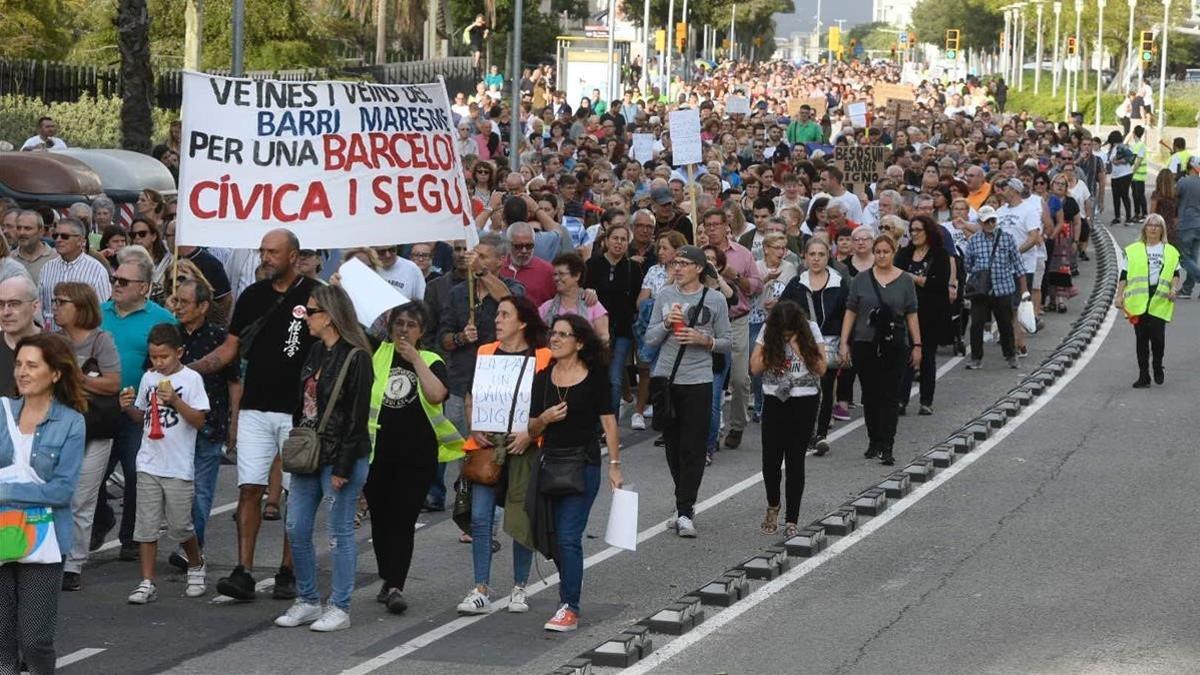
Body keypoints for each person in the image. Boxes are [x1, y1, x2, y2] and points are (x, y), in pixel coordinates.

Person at [188, 229, 320, 602]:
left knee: (298, 495)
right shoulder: (252, 296)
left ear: (294, 255)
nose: (265, 257)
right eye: (263, 251)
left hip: (297, 413)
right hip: (256, 408)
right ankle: (244, 571)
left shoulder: (316, 293)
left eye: (273, 252)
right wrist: (191, 369)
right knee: (249, 488)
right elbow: (230, 349)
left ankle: (288, 570)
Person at [273, 285, 373, 632]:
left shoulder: (357, 357)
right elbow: (303, 403)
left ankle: (340, 606)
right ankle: (308, 600)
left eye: (310, 311)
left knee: (339, 532)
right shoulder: (315, 351)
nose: (304, 316)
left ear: (328, 317)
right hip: (310, 451)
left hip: (340, 454)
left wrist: (343, 467)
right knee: (296, 526)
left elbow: (357, 417)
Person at [365, 301, 462, 615]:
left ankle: (396, 585)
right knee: (380, 519)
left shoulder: (432, 359)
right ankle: (387, 574)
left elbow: (436, 394)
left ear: (421, 331)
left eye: (411, 325)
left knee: (403, 520)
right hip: (377, 453)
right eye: (399, 323)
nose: (404, 330)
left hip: (416, 455)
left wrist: (415, 359)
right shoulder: (377, 353)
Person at [527, 314, 621, 631]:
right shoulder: (542, 377)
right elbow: (531, 426)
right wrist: (545, 418)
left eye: (562, 334)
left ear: (579, 342)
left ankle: (569, 607)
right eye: (553, 333)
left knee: (568, 537)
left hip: (584, 465)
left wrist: (615, 466)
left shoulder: (595, 377)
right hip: (550, 464)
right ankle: (567, 595)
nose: (554, 339)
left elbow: (608, 422)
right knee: (552, 537)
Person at [456, 296, 550, 615]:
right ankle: (481, 587)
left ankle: (519, 587)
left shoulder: (542, 356)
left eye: (505, 315)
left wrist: (531, 433)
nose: (497, 320)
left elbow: (547, 403)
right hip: (487, 446)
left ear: (522, 322)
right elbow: (472, 394)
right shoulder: (485, 351)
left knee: (519, 518)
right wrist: (474, 425)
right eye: (497, 314)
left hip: (524, 448)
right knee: (480, 518)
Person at [0, 333, 86, 674]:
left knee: (35, 639)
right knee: (2, 639)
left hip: (44, 539)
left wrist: (5, 492)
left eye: (32, 365)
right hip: (2, 534)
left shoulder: (71, 423)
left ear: (55, 373)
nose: (22, 371)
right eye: (19, 364)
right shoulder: (2, 412)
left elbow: (61, 492)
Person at [118, 323, 210, 604]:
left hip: (178, 465)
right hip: (149, 462)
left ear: (179, 352)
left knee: (181, 525)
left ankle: (196, 563)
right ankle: (147, 581)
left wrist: (176, 402)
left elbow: (199, 420)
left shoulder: (192, 379)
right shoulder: (149, 378)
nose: (158, 363)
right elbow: (142, 417)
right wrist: (128, 407)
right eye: (154, 357)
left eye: (164, 357)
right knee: (145, 526)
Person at [643, 245, 731, 538]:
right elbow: (650, 337)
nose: (677, 268)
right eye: (675, 263)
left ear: (698, 268)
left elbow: (728, 342)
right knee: (672, 447)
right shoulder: (665, 296)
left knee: (692, 448)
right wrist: (667, 323)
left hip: (699, 380)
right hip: (666, 379)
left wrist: (703, 340)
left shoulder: (716, 299)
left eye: (683, 263)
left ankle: (684, 510)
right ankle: (683, 501)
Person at [95, 254, 177, 561]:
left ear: (144, 288)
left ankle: (130, 538)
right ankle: (102, 517)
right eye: (115, 279)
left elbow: (173, 362)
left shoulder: (162, 319)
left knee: (134, 472)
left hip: (137, 410)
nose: (116, 284)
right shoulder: (99, 312)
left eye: (124, 281)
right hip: (100, 405)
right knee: (94, 472)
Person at [52, 282, 121, 592]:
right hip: (58, 428)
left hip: (94, 430)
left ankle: (73, 563)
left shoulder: (101, 341)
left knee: (82, 497)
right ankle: (52, 556)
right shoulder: (53, 341)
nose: (55, 306)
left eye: (61, 302)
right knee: (57, 495)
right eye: (54, 301)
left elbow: (113, 384)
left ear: (80, 306)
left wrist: (76, 377)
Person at [172, 281, 239, 567]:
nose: (178, 307)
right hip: (173, 427)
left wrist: (235, 423)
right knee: (176, 489)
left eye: (185, 302)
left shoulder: (220, 338)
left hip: (209, 424)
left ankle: (194, 548)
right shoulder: (168, 336)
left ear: (202, 306)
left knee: (201, 490)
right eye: (176, 301)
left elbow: (235, 382)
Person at [837, 235, 920, 466]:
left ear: (893, 252)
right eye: (879, 251)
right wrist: (844, 342)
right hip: (865, 342)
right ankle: (874, 440)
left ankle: (888, 445)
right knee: (870, 394)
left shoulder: (905, 280)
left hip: (894, 344)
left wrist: (917, 345)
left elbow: (912, 313)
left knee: (890, 395)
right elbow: (851, 311)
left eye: (887, 251)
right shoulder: (861, 280)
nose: (882, 255)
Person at [750, 299, 825, 538]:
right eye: (782, 332)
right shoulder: (767, 330)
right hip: (775, 399)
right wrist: (774, 350)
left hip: (804, 399)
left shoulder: (811, 330)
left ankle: (792, 518)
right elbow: (754, 368)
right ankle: (773, 505)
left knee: (795, 459)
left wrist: (798, 346)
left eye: (790, 332)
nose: (785, 335)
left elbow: (822, 367)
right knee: (770, 460)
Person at [779, 238, 847, 456]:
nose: (816, 259)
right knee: (802, 387)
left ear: (828, 257)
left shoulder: (839, 282)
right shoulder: (797, 283)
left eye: (821, 254)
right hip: (800, 342)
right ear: (805, 257)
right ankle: (804, 431)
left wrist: (846, 343)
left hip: (828, 342)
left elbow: (848, 314)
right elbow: (783, 311)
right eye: (812, 254)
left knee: (826, 387)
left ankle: (821, 433)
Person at [701, 209, 761, 451]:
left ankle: (737, 424)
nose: (713, 228)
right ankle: (710, 430)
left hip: (736, 320)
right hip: (706, 324)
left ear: (727, 226)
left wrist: (733, 276)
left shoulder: (742, 254)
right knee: (709, 382)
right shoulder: (699, 254)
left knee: (738, 377)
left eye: (717, 224)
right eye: (708, 224)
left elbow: (755, 286)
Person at [1115, 215, 1180, 388]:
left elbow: (1175, 274)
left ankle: (1157, 365)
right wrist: (1119, 295)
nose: (1152, 228)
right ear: (1144, 229)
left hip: (1159, 299)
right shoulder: (1133, 250)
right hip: (1138, 300)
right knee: (1141, 338)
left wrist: (1174, 289)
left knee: (1158, 339)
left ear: (1162, 230)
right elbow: (1124, 275)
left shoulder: (1170, 251)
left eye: (1157, 226)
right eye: (1149, 225)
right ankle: (1143, 375)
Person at [894, 215, 949, 416]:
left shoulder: (940, 255)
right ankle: (901, 400)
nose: (914, 234)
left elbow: (939, 283)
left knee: (927, 357)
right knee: (906, 356)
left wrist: (915, 279)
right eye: (912, 230)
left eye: (918, 230)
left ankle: (926, 400)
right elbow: (896, 276)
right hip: (906, 313)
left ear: (928, 231)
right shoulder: (905, 253)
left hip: (930, 314)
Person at [585, 223, 643, 411]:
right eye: (615, 238)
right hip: (596, 329)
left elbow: (637, 299)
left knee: (615, 378)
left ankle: (610, 429)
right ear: (606, 241)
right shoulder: (592, 265)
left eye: (623, 239)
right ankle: (596, 424)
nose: (619, 242)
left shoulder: (633, 268)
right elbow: (582, 292)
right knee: (596, 376)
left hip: (622, 330)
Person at [963, 206, 1029, 369]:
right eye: (987, 221)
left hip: (1002, 288)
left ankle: (1010, 355)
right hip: (981, 290)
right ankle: (976, 358)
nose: (991, 224)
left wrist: (1024, 290)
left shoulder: (1007, 238)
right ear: (980, 222)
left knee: (1005, 324)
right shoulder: (974, 240)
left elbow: (1018, 264)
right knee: (977, 324)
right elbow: (968, 264)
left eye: (993, 220)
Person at [749, 232, 797, 421]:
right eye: (776, 247)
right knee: (757, 364)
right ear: (766, 249)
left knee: (778, 364)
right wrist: (767, 279)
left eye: (783, 248)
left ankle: (776, 403)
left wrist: (779, 302)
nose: (781, 252)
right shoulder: (756, 266)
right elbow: (750, 292)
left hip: (779, 322)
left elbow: (792, 295)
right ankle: (759, 403)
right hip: (756, 319)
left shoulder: (789, 268)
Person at [38, 217, 112, 332]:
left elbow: (102, 311)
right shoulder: (47, 268)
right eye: (55, 236)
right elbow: (41, 307)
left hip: (84, 341)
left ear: (81, 241)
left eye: (64, 236)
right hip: (52, 340)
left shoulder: (97, 270)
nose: (58, 240)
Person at [541, 253, 609, 341]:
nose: (557, 278)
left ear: (577, 275)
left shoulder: (592, 303)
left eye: (561, 274)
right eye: (555, 274)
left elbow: (604, 338)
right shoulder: (546, 307)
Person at [0, 276, 43, 397]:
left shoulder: (56, 348)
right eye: (1, 304)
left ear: (34, 307)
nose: (6, 312)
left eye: (14, 304)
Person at [1174, 156, 1200, 299]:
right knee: (1193, 258)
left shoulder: (1183, 182)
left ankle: (1191, 285)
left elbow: (1174, 195)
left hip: (1187, 223)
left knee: (1184, 258)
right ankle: (1187, 289)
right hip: (1199, 224)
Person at [13, 210, 58, 284]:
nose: (21, 232)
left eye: (27, 228)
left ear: (41, 231)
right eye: (18, 228)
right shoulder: (9, 259)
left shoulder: (56, 258)